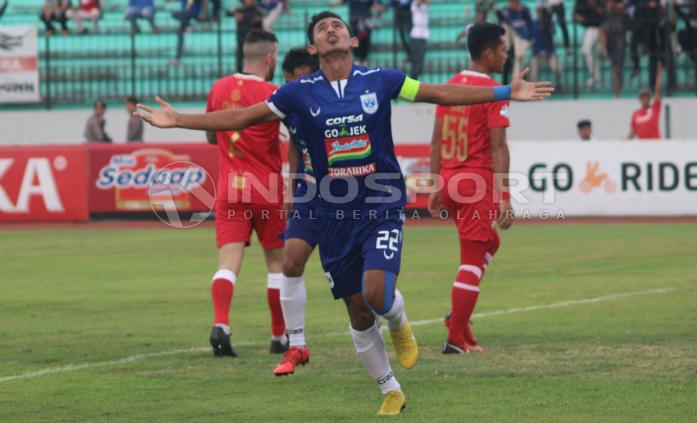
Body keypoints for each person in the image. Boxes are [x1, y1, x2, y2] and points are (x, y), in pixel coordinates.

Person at [135, 11, 553, 414]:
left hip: (380, 203)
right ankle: (390, 390)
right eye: (322, 28)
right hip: (331, 214)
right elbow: (243, 116)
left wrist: (504, 91)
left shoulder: (381, 79)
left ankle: (399, 319)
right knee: (355, 308)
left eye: (338, 25)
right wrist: (179, 120)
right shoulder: (299, 92)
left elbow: (438, 93)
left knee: (376, 295)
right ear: (314, 47)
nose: (331, 29)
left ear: (352, 40)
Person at [428, 22, 513, 354]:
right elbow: (499, 149)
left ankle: (458, 316)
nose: (506, 56)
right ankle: (455, 337)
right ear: (489, 53)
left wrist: (434, 185)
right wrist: (505, 197)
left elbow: (435, 141)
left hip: (450, 181)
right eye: (503, 50)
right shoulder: (493, 91)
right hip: (476, 183)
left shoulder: (449, 87)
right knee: (472, 259)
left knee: (491, 242)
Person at [203, 29, 288, 357]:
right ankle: (279, 337)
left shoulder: (218, 87)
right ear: (270, 57)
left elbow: (211, 136)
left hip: (229, 188)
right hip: (265, 189)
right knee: (276, 264)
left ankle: (221, 324)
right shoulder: (273, 92)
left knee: (228, 263)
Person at [272, 48, 320, 376]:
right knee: (290, 261)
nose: (299, 85)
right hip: (309, 194)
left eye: (304, 77)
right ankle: (297, 345)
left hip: (348, 197)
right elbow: (293, 143)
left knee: (362, 290)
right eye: (293, 79)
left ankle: (394, 321)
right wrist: (291, 187)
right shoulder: (289, 106)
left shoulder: (334, 98)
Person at [329, 0, 386, 66]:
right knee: (356, 41)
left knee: (365, 42)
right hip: (355, 24)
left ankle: (364, 61)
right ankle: (357, 60)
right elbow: (340, 2)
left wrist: (381, 10)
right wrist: (331, 4)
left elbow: (377, 6)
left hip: (366, 24)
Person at [498, 0, 533, 78]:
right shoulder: (506, 11)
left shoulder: (524, 10)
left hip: (523, 39)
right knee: (504, 26)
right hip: (511, 43)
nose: (511, 3)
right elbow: (501, 19)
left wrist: (530, 38)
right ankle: (506, 47)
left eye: (513, 2)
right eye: (510, 2)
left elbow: (530, 24)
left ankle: (517, 80)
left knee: (519, 59)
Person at [628, 62, 662, 140]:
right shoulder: (636, 113)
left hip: (655, 144)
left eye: (646, 96)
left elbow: (658, 91)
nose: (644, 99)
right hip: (643, 146)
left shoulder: (654, 109)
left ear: (649, 98)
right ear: (640, 99)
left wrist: (659, 75)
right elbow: (633, 131)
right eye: (642, 97)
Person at [574, 0, 604, 88]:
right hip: (588, 28)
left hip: (600, 28)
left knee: (588, 51)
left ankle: (596, 77)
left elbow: (603, 12)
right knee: (587, 51)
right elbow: (575, 14)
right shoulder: (580, 2)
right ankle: (595, 76)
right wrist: (577, 18)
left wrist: (594, 5)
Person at [229, 0, 265, 72]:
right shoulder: (239, 10)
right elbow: (228, 12)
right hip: (242, 40)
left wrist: (260, 18)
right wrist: (235, 14)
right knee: (239, 61)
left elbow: (266, 13)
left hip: (255, 41)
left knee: (256, 61)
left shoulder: (257, 10)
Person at [530, 6, 562, 87]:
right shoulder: (533, 23)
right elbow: (530, 37)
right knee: (532, 71)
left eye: (542, 12)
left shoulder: (549, 22)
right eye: (539, 11)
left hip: (549, 52)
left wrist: (547, 23)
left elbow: (553, 32)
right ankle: (533, 88)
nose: (540, 13)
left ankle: (558, 85)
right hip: (537, 53)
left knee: (557, 69)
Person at [170, 0, 202, 65]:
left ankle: (189, 26)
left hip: (190, 12)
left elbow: (190, 3)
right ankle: (177, 58)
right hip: (185, 15)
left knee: (174, 14)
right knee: (180, 35)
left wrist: (188, 6)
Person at [605, 0, 626, 97]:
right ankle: (617, 89)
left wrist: (616, 6)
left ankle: (618, 90)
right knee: (615, 67)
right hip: (610, 39)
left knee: (617, 67)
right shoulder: (607, 10)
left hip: (619, 40)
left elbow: (623, 9)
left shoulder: (621, 8)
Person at [409, 0, 429, 79]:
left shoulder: (424, 5)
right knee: (416, 62)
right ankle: (413, 80)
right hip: (416, 36)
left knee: (420, 62)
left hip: (423, 36)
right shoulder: (415, 3)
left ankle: (415, 80)